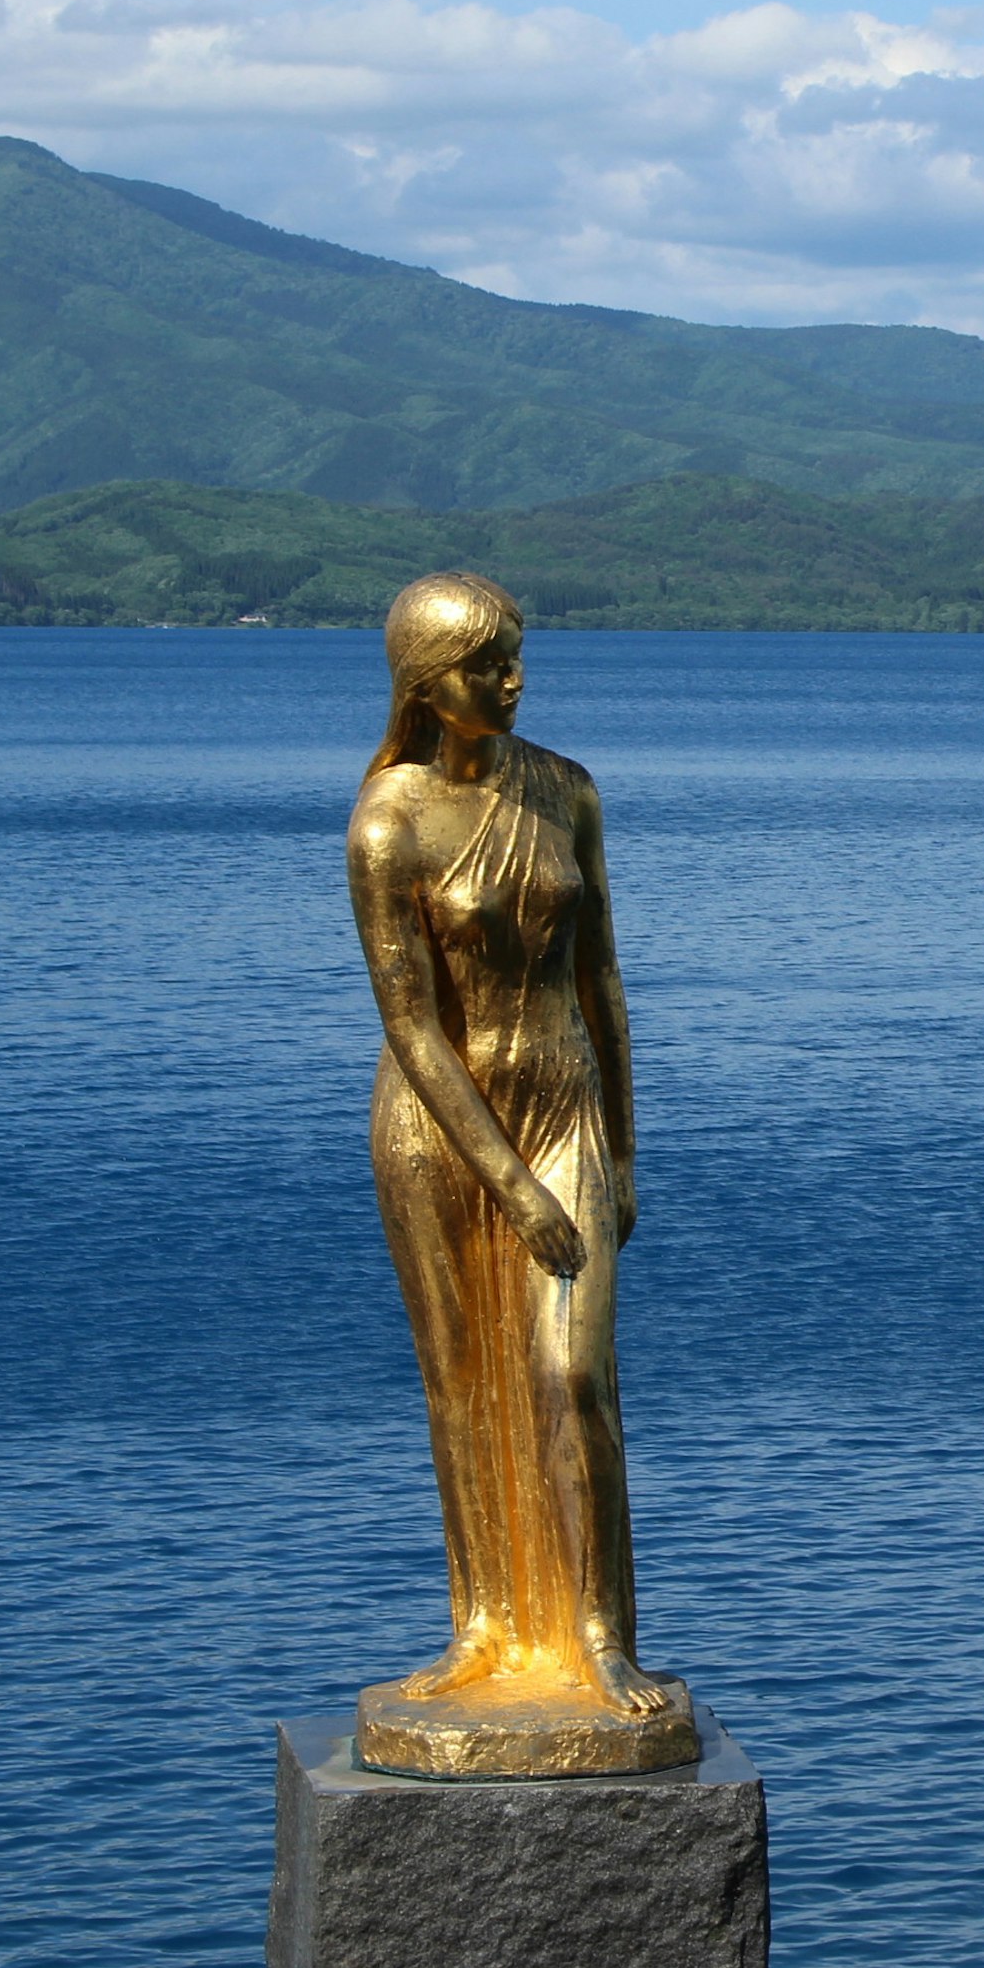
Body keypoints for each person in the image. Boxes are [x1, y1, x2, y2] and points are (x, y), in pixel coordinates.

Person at [346, 570, 669, 1732]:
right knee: (463, 1387)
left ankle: (597, 1635)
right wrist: (512, 1184)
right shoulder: (390, 817)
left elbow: (605, 979)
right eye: (487, 666)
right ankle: (485, 1624)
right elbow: (412, 1025)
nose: (514, 681)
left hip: (565, 1100)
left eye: (519, 656)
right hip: (441, 1133)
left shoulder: (567, 791)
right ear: (427, 686)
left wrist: (622, 1154)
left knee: (570, 1376)